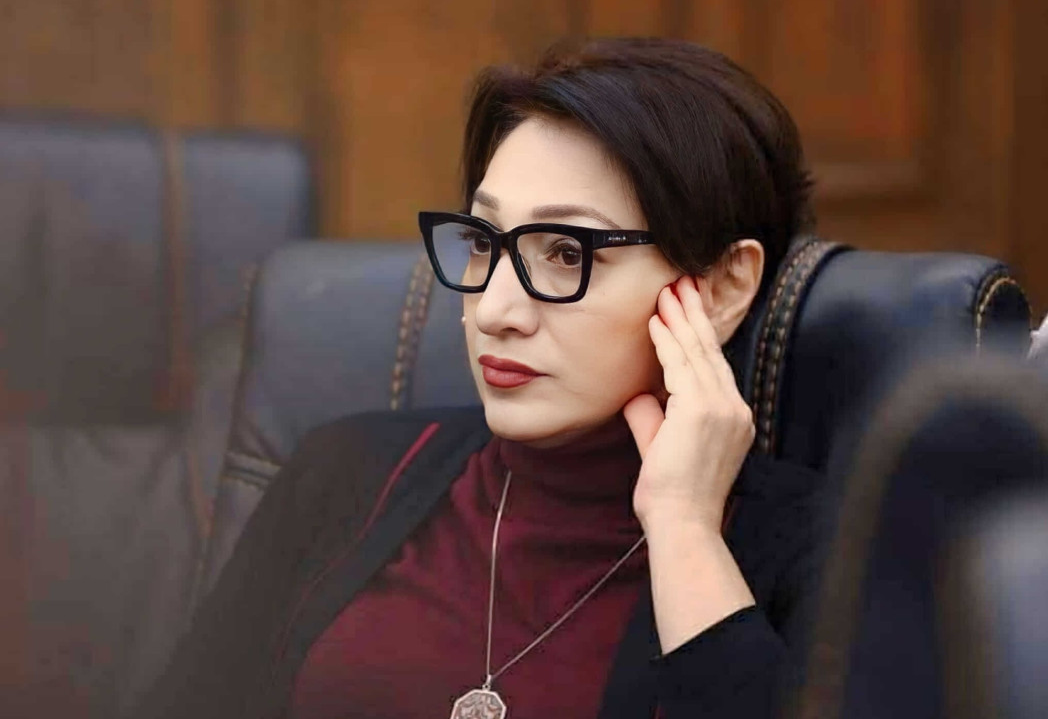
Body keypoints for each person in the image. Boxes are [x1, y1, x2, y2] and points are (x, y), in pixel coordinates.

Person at [136, 36, 829, 719]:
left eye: (567, 253)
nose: (494, 311)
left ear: (721, 287)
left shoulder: (819, 549)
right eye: (482, 242)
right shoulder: (345, 474)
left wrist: (684, 529)